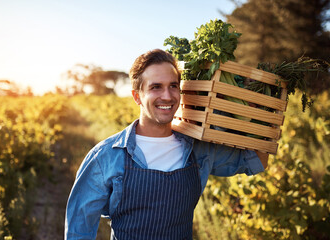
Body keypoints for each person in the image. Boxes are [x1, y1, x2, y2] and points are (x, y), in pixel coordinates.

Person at [65, 49, 268, 240]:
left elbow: (257, 160)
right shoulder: (106, 157)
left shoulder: (198, 150)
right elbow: (79, 231)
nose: (167, 96)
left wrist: (256, 104)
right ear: (137, 96)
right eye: (156, 87)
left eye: (173, 86)